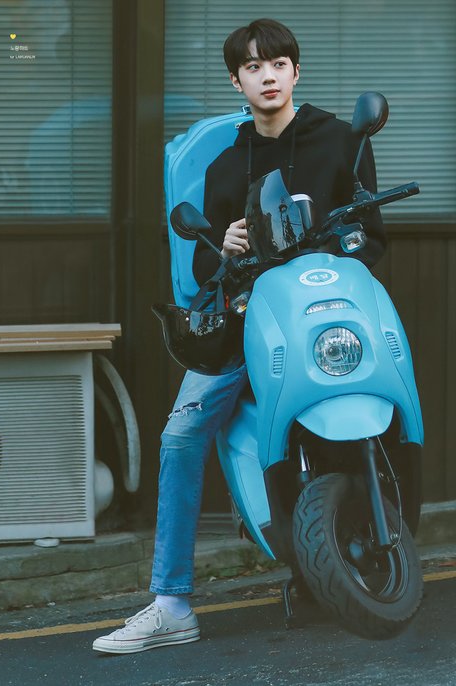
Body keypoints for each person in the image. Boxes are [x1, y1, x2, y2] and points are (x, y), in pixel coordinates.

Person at [92, 17, 385, 655]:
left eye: (278, 64)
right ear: (237, 81)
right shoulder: (226, 164)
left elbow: (372, 239)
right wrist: (221, 246)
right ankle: (172, 603)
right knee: (180, 435)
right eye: (253, 67)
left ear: (296, 71)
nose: (267, 76)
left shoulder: (342, 140)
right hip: (252, 322)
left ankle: (371, 543)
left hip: (328, 317)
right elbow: (203, 270)